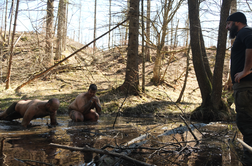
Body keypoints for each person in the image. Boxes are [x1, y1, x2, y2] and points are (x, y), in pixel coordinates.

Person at [226, 12, 252, 165]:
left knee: (247, 126)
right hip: (245, 88)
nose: (228, 27)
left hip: (246, 89)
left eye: (229, 24)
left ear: (236, 22)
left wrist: (246, 70)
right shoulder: (244, 34)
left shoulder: (245, 32)